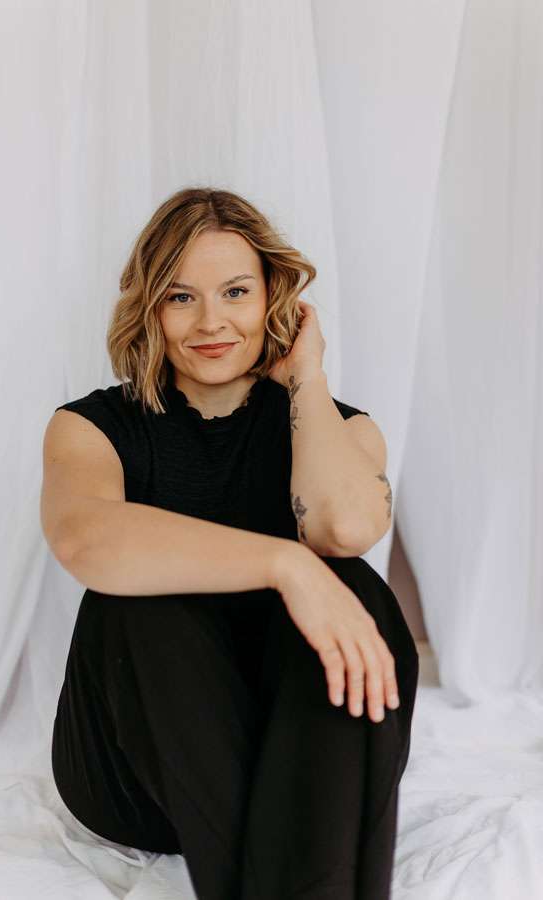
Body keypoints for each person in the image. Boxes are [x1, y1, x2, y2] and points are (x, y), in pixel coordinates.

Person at [41, 187, 419, 900]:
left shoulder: (342, 427)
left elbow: (345, 528)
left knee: (355, 585)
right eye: (180, 297)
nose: (211, 322)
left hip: (299, 755)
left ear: (275, 297)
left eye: (237, 292)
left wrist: (307, 378)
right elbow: (86, 541)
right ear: (150, 308)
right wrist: (284, 565)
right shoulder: (91, 428)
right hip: (136, 778)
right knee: (136, 597)